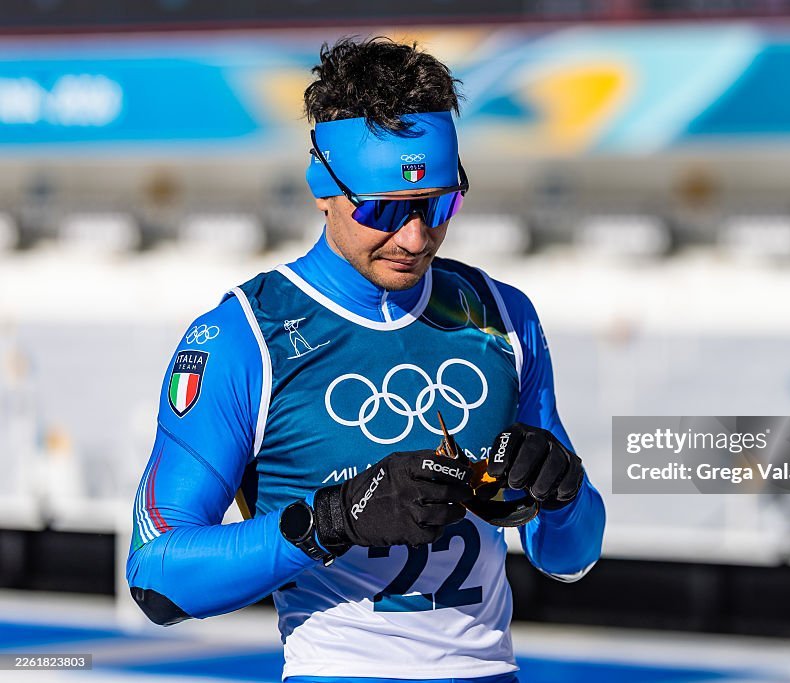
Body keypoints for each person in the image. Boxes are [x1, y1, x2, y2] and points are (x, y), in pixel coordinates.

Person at [125, 37, 605, 683]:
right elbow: (159, 577)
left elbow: (570, 559)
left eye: (438, 204)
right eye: (384, 208)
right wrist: (332, 518)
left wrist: (561, 488)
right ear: (324, 187)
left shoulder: (499, 310)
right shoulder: (243, 335)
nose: (414, 238)